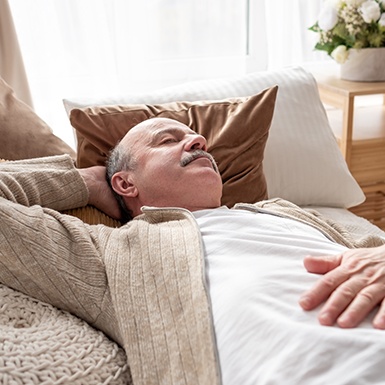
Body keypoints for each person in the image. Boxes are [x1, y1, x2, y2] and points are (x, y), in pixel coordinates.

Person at [1, 117, 385, 385]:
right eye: (167, 141)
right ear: (125, 182)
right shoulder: (113, 254)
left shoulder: (287, 212)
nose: (198, 142)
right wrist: (85, 180)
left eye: (196, 137)